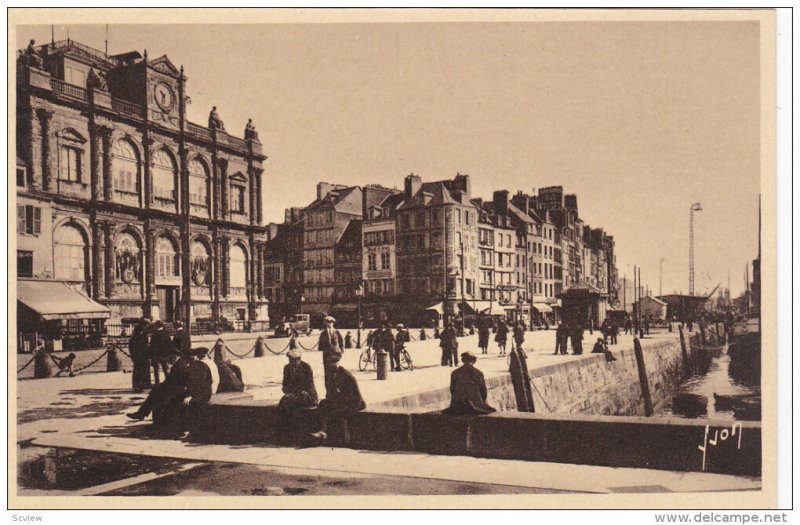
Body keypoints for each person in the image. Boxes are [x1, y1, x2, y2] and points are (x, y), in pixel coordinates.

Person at [127, 347, 213, 431]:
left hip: (191, 392)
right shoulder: (181, 364)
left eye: (167, 358)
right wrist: (161, 386)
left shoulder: (186, 365)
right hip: (182, 389)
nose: (166, 360)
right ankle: (147, 417)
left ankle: (154, 422)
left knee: (161, 398)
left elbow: (194, 383)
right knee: (156, 393)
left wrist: (189, 395)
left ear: (174, 356)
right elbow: (171, 381)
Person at [309, 353, 366, 444]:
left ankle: (326, 433)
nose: (328, 366)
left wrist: (338, 400)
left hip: (354, 403)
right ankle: (321, 431)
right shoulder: (332, 374)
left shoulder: (347, 375)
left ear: (336, 364)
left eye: (331, 364)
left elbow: (354, 397)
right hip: (341, 401)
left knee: (334, 412)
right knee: (322, 404)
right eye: (328, 364)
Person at [276, 349, 318, 442]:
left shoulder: (306, 367)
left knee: (287, 403)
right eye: (290, 360)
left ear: (299, 359)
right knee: (284, 403)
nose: (291, 362)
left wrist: (294, 393)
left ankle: (289, 434)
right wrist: (289, 392)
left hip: (308, 396)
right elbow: (285, 385)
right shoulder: (286, 368)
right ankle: (284, 432)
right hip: (293, 396)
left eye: (294, 360)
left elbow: (308, 386)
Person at [442, 352, 496, 416]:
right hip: (475, 404)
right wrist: (482, 402)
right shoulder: (478, 373)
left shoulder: (454, 373)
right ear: (473, 361)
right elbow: (483, 391)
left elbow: (452, 390)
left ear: (463, 361)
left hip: (458, 405)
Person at [317, 315, 344, 395]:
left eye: (330, 322)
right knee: (327, 375)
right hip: (327, 356)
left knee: (336, 374)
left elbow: (342, 343)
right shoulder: (323, 333)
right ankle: (328, 393)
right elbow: (320, 346)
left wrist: (341, 352)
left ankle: (336, 391)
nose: (329, 324)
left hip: (336, 356)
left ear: (333, 323)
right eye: (327, 322)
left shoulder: (337, 332)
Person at [149, 320, 176, 385]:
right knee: (166, 369)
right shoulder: (166, 334)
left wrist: (151, 354)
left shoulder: (155, 335)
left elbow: (152, 346)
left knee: (156, 370)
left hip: (156, 355)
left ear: (157, 326)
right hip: (165, 355)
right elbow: (169, 345)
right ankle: (169, 383)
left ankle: (157, 383)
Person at [129, 318, 152, 392]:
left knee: (142, 370)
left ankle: (143, 385)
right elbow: (133, 345)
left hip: (143, 355)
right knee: (138, 371)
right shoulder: (139, 333)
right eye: (147, 325)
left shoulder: (142, 332)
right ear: (144, 325)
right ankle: (138, 386)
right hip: (139, 355)